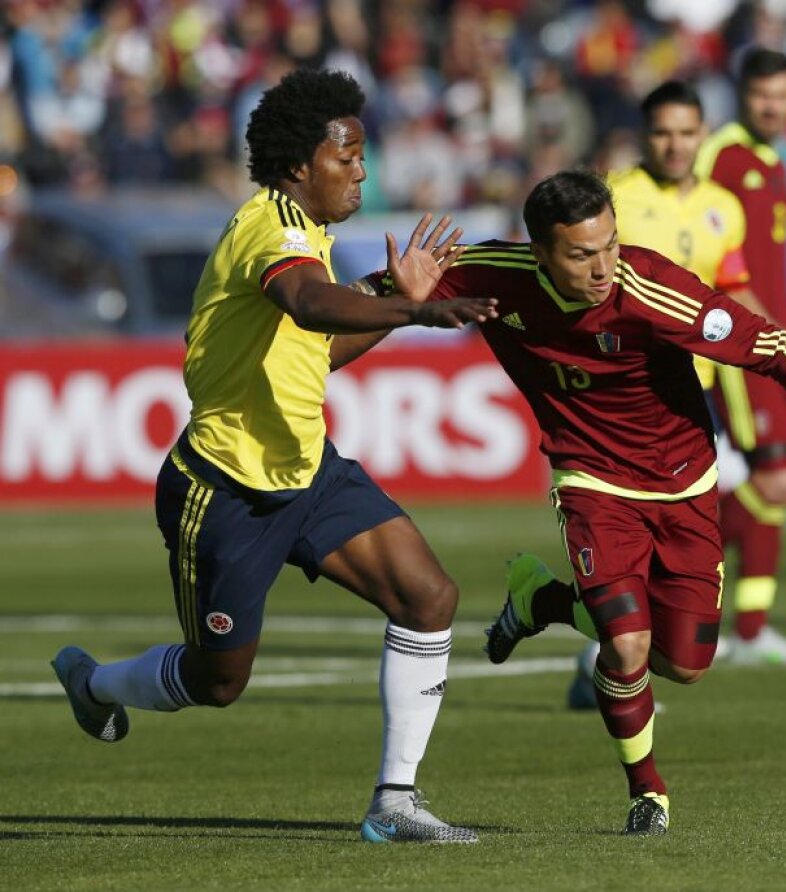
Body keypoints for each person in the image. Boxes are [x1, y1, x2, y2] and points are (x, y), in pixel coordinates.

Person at [48, 68, 496, 845]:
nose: (361, 172)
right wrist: (413, 308)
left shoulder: (309, 234)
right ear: (298, 165)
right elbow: (308, 303)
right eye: (346, 157)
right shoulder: (271, 228)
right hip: (226, 488)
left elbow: (319, 348)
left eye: (363, 157)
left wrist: (387, 293)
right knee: (219, 680)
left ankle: (394, 803)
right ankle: (94, 683)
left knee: (428, 597)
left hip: (307, 469)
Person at [421, 169, 786, 835]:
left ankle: (541, 600)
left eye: (610, 245)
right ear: (540, 252)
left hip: (684, 482)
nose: (603, 266)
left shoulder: (653, 290)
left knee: (685, 664)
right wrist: (396, 297)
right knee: (626, 644)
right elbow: (369, 297)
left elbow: (772, 346)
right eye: (582, 254)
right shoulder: (490, 272)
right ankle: (648, 793)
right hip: (592, 480)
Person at [557, 79, 768, 710]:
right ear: (644, 136)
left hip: (695, 390)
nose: (675, 145)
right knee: (648, 526)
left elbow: (732, 288)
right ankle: (615, 650)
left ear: (703, 135)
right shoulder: (616, 196)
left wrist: (780, 347)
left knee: (717, 501)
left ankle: (610, 648)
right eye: (662, 133)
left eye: (685, 133)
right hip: (626, 390)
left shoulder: (723, 207)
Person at [694, 48, 786, 666]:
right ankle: (675, 576)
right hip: (739, 346)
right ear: (742, 95)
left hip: (776, 341)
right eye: (760, 95)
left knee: (775, 482)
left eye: (781, 95)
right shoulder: (720, 156)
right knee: (771, 477)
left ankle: (749, 629)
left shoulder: (774, 162)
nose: (771, 106)